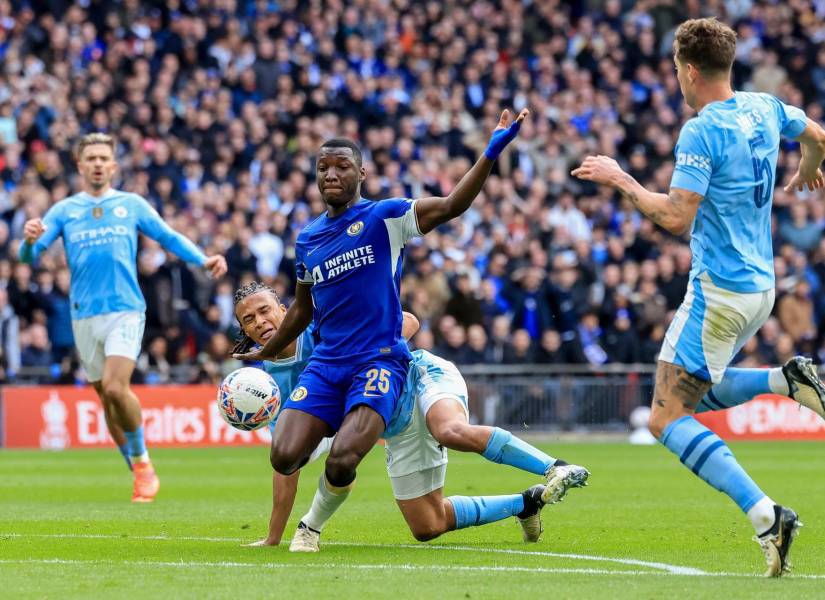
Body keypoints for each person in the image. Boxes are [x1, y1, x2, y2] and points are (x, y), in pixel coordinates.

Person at [235, 110, 583, 533]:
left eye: (342, 166)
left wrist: (490, 154)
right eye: (323, 167)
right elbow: (302, 310)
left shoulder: (385, 217)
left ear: (362, 173)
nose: (331, 174)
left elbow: (452, 205)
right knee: (421, 523)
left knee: (413, 440)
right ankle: (525, 503)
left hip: (386, 366)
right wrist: (266, 352)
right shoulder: (308, 240)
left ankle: (310, 530)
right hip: (332, 369)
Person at [572, 18, 825, 577]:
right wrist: (809, 167)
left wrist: (621, 179)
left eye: (675, 70)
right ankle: (785, 381)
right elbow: (817, 135)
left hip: (720, 291)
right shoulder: (763, 106)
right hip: (761, 287)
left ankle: (767, 515)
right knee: (691, 396)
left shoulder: (701, 130)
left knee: (665, 418)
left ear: (689, 71)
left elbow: (675, 216)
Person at [231, 282, 589, 551]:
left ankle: (555, 466)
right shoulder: (268, 386)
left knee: (449, 430)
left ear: (284, 309)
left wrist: (368, 358)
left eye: (265, 310)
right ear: (244, 331)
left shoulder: (324, 324)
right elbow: (287, 467)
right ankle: (526, 503)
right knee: (428, 526)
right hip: (397, 427)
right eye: (249, 319)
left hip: (417, 380)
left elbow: (409, 321)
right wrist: (273, 537)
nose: (260, 321)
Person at [18, 132, 227, 502]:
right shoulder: (64, 210)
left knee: (117, 387)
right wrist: (29, 241)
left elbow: (168, 236)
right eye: (91, 158)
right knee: (107, 399)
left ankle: (143, 463)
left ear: (113, 166)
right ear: (80, 166)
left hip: (125, 310)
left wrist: (202, 259)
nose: (98, 164)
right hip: (84, 316)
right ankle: (135, 466)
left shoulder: (131, 204)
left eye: (104, 158)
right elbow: (28, 258)